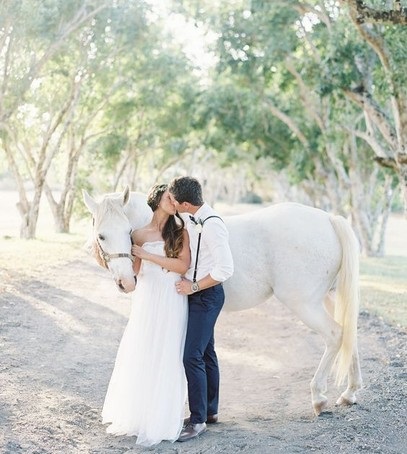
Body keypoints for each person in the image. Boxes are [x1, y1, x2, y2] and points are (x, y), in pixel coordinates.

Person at [101, 183, 191, 447]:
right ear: (156, 200)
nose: (173, 201)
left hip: (172, 297)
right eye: (168, 197)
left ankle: (162, 419)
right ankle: (139, 415)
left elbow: (182, 265)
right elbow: (136, 271)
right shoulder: (138, 234)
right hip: (148, 297)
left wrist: (150, 257)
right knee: (143, 351)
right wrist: (126, 268)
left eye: (175, 198)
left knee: (168, 354)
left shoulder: (179, 232)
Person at [168, 176, 234, 442]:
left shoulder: (212, 225)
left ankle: (197, 421)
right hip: (200, 295)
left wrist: (193, 288)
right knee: (206, 353)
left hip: (207, 296)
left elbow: (225, 270)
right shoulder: (192, 219)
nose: (171, 203)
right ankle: (210, 411)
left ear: (185, 203)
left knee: (191, 356)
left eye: (174, 200)